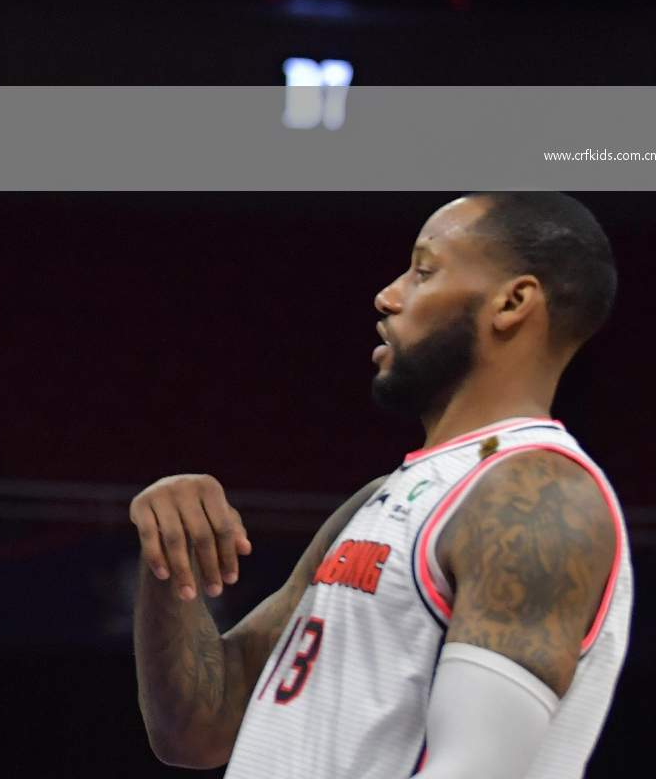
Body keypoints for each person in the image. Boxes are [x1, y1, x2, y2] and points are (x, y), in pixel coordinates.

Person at [131, 192, 632, 777]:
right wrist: (172, 559)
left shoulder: (537, 496)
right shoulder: (383, 499)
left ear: (512, 302)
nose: (389, 296)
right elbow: (199, 728)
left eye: (423, 271)